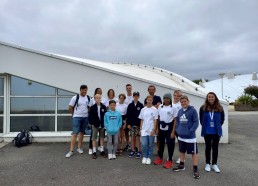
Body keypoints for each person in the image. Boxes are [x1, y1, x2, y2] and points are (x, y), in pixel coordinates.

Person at [172, 95, 200, 179]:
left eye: (185, 101)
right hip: (181, 136)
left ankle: (195, 169)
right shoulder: (180, 111)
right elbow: (178, 122)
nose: (183, 103)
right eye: (182, 102)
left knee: (193, 153)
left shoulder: (193, 110)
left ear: (188, 101)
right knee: (181, 151)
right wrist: (178, 130)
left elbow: (196, 122)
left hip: (190, 137)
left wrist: (190, 131)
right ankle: (181, 165)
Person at [199, 92, 225, 173]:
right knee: (208, 148)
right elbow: (201, 119)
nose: (210, 98)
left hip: (216, 132)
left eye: (212, 97)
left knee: (215, 148)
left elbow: (222, 119)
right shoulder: (203, 108)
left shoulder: (220, 108)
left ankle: (214, 164)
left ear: (215, 98)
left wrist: (217, 126)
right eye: (209, 97)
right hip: (207, 131)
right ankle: (207, 163)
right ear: (207, 98)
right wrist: (206, 127)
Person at [66, 84, 94, 158]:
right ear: (80, 90)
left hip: (85, 117)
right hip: (77, 117)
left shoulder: (89, 98)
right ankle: (71, 150)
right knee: (74, 133)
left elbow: (90, 108)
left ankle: (79, 148)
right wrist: (73, 115)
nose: (84, 91)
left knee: (82, 133)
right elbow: (70, 107)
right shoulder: (75, 97)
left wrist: (88, 115)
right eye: (83, 90)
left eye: (86, 90)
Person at [154, 93, 178, 169]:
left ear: (170, 99)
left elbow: (175, 120)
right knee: (160, 144)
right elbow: (157, 117)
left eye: (168, 98)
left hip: (170, 128)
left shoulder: (173, 108)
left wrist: (173, 131)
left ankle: (170, 160)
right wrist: (157, 128)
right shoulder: (160, 107)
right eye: (165, 98)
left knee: (170, 144)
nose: (166, 100)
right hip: (161, 127)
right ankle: (160, 158)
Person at [139, 95, 158, 165]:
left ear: (152, 101)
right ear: (146, 100)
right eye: (148, 100)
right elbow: (141, 120)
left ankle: (149, 157)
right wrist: (140, 129)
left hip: (151, 130)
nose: (149, 101)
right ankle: (144, 156)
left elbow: (155, 120)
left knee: (150, 145)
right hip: (144, 130)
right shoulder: (143, 109)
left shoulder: (155, 109)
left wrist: (154, 129)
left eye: (151, 100)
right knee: (144, 144)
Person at [89, 87, 107, 155]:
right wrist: (92, 123)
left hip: (102, 125)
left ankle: (102, 150)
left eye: (99, 98)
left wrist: (105, 124)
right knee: (94, 138)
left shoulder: (103, 107)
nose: (98, 99)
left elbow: (105, 116)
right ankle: (94, 151)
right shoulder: (93, 107)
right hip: (95, 125)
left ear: (101, 99)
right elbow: (90, 116)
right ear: (94, 99)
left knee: (102, 137)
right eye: (96, 98)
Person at [127, 91, 144, 158]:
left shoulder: (141, 105)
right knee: (132, 137)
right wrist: (128, 124)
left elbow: (142, 116)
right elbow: (128, 115)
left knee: (137, 138)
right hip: (131, 124)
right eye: (134, 96)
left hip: (138, 124)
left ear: (138, 96)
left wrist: (141, 125)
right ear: (133, 96)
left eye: (137, 96)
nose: (136, 97)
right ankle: (133, 150)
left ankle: (139, 151)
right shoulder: (130, 105)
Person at [172, 90, 183, 164]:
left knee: (180, 142)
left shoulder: (181, 105)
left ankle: (181, 157)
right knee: (171, 141)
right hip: (171, 125)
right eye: (175, 95)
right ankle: (170, 155)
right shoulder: (170, 103)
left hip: (179, 125)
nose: (176, 97)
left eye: (178, 96)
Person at [124, 84, 133, 151]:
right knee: (126, 131)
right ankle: (127, 144)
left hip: (132, 117)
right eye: (127, 88)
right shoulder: (124, 97)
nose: (128, 89)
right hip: (125, 116)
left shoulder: (134, 97)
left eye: (129, 88)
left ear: (131, 88)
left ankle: (133, 145)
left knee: (132, 132)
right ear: (126, 89)